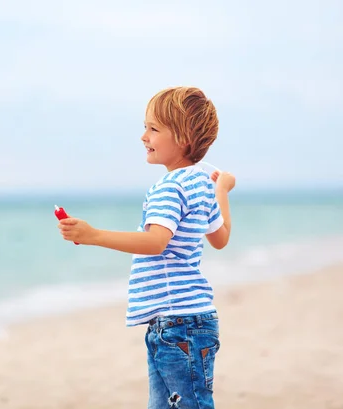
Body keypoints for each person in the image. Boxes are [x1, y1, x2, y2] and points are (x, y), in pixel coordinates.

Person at [57, 86, 236, 409]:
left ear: (183, 139)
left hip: (177, 323)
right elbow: (221, 238)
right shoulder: (200, 184)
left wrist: (93, 234)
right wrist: (221, 189)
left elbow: (156, 242)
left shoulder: (169, 187)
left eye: (153, 129)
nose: (143, 137)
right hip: (182, 322)